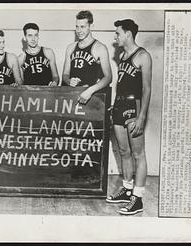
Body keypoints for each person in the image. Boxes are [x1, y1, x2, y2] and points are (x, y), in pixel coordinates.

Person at [105, 19, 152, 215]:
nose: (116, 37)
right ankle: (127, 188)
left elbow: (147, 89)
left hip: (135, 105)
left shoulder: (143, 56)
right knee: (124, 151)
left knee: (138, 154)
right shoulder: (123, 56)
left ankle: (138, 198)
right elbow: (121, 85)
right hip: (120, 104)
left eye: (118, 33)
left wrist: (141, 117)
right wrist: (114, 105)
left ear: (128, 34)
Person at [62, 10, 112, 104]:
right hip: (72, 97)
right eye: (77, 27)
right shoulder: (70, 48)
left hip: (91, 98)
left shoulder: (100, 48)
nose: (79, 31)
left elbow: (108, 77)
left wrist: (90, 90)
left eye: (82, 27)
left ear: (91, 26)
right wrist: (69, 81)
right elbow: (65, 74)